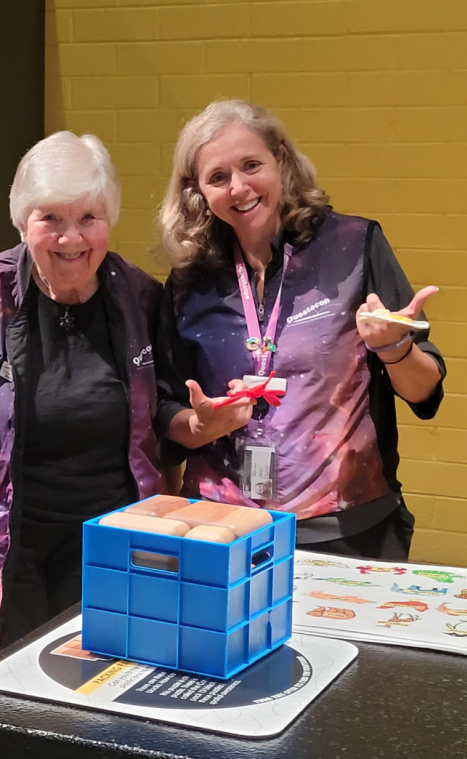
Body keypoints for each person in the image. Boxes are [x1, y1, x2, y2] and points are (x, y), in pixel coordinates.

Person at [0, 131, 251, 669]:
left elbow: (161, 413)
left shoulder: (139, 297)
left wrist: (200, 422)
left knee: (105, 701)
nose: (72, 238)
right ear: (23, 222)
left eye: (89, 218)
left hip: (115, 549)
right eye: (51, 220)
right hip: (3, 553)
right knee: (3, 707)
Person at [157, 99, 446, 561]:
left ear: (282, 162)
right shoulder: (189, 282)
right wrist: (199, 424)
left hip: (345, 528)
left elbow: (424, 392)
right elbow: (166, 410)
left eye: (252, 165)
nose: (239, 187)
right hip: (221, 531)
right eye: (218, 177)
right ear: (198, 192)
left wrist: (395, 349)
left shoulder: (353, 247)